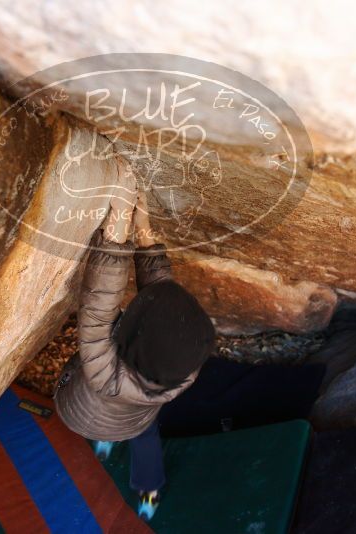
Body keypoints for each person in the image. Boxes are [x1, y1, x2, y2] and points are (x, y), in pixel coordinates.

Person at [54, 155, 216, 521]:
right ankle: (149, 488)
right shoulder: (182, 371)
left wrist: (117, 227)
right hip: (135, 420)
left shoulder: (103, 373)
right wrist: (145, 232)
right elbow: (164, 299)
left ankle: (101, 442)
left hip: (78, 413)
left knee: (98, 415)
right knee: (144, 438)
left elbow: (99, 307)